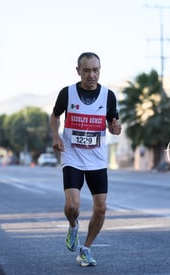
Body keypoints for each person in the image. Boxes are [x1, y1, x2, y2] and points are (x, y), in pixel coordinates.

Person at [50, 52, 122, 267]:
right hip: (72, 156)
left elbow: (113, 122)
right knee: (72, 206)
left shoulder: (108, 95)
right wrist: (55, 135)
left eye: (96, 70)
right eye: (87, 70)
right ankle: (73, 226)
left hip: (97, 160)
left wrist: (115, 127)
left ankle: (86, 249)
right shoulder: (67, 93)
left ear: (100, 70)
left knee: (101, 208)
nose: (92, 75)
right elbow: (55, 115)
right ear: (78, 71)